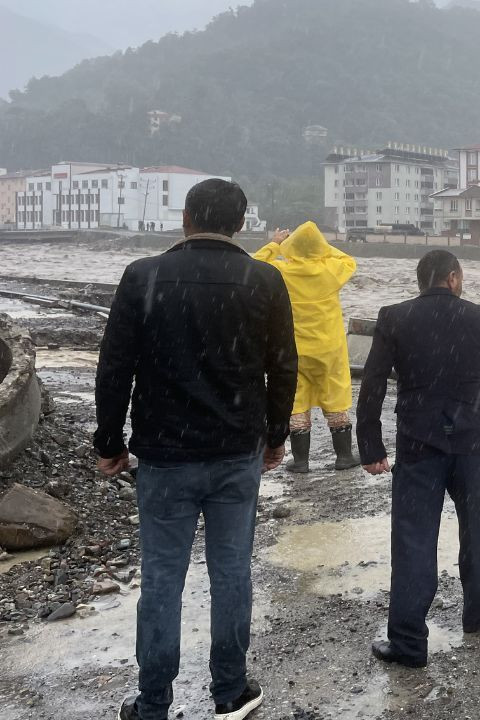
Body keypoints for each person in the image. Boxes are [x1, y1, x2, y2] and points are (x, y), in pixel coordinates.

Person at [94, 179, 296, 720]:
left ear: (186, 217)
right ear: (241, 222)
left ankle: (153, 702)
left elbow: (115, 369)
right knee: (231, 572)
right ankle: (230, 690)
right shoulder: (264, 279)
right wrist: (276, 436)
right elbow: (284, 366)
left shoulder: (144, 276)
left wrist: (108, 443)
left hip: (164, 457)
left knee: (162, 578)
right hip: (236, 453)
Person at [356, 249, 480, 668]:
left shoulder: (394, 316)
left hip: (419, 442)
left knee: (414, 539)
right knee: (478, 529)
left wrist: (371, 444)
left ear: (423, 281)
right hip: (471, 439)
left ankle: (408, 642)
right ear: (453, 277)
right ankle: (478, 610)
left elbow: (373, 381)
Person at [253, 222, 359, 473]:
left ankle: (300, 460)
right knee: (334, 396)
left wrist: (275, 243)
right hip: (329, 349)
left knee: (297, 400)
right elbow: (348, 259)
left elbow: (254, 265)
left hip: (295, 349)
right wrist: (320, 247)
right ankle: (343, 455)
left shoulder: (282, 272)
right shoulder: (330, 271)